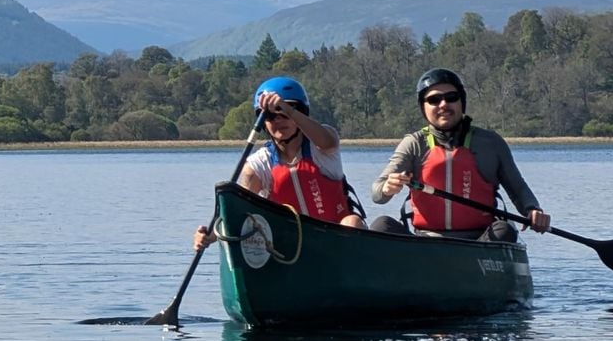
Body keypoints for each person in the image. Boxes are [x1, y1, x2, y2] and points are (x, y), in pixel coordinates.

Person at [370, 68, 551, 241]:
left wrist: (533, 209)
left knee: (505, 230)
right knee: (381, 225)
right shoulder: (414, 144)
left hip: (481, 240)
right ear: (423, 107)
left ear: (461, 102)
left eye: (451, 97)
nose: (443, 105)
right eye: (434, 100)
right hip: (425, 241)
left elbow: (518, 188)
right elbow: (377, 195)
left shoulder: (491, 143)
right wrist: (387, 188)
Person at [194, 76, 364, 249]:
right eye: (270, 115)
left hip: (337, 243)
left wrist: (288, 110)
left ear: (300, 114)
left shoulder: (322, 147)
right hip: (291, 248)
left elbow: (328, 141)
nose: (278, 120)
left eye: (284, 114)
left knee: (353, 222)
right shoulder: (258, 164)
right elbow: (238, 212)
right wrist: (210, 235)